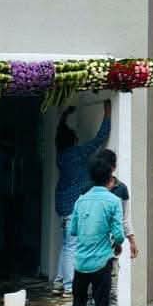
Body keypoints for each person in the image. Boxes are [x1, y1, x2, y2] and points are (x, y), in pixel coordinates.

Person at [53, 99, 112, 295]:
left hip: (62, 204)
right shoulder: (77, 153)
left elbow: (59, 134)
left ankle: (59, 281)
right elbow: (99, 139)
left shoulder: (61, 155)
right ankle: (69, 286)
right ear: (73, 141)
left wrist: (64, 115)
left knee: (66, 244)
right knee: (71, 246)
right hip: (72, 205)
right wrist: (107, 114)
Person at [67, 150, 125, 306]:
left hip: (80, 263)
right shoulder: (113, 201)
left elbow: (73, 230)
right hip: (102, 263)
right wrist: (117, 244)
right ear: (109, 177)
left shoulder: (80, 200)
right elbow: (119, 235)